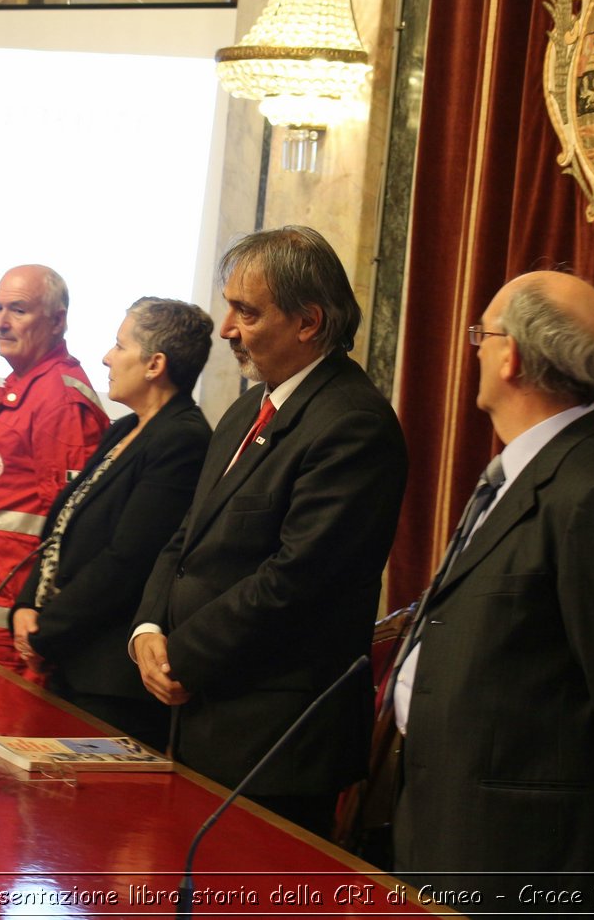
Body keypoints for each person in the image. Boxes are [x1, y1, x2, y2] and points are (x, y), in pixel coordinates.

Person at [390, 271, 594, 896]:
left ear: (513, 356)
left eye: (483, 334)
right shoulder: (525, 469)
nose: (475, 347)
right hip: (451, 820)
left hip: (525, 854)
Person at [132, 226, 408, 836]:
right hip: (199, 711)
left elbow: (296, 580)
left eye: (246, 311)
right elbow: (186, 539)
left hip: (275, 739)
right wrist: (149, 628)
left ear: (308, 321)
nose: (226, 327)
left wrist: (182, 652)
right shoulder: (243, 411)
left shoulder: (353, 425)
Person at [10, 297, 213, 749]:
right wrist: (26, 605)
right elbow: (63, 526)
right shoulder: (125, 429)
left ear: (155, 364)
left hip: (109, 680)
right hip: (71, 657)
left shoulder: (183, 439)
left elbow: (129, 561)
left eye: (120, 346)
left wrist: (47, 629)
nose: (106, 357)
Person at [0, 264, 108, 669]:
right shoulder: (27, 388)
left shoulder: (60, 403)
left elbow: (70, 528)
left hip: (5, 631)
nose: (1, 322)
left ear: (57, 320)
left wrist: (37, 618)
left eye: (18, 310)